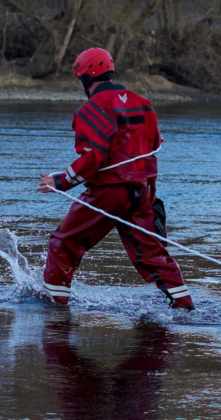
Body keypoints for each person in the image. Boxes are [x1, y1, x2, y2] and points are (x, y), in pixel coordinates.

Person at [37, 47, 195, 310]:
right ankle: (185, 305)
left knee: (62, 244)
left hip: (109, 192)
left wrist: (59, 182)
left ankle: (54, 309)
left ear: (85, 79)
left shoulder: (90, 110)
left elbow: (93, 158)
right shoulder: (143, 102)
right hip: (144, 191)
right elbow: (155, 143)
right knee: (151, 254)